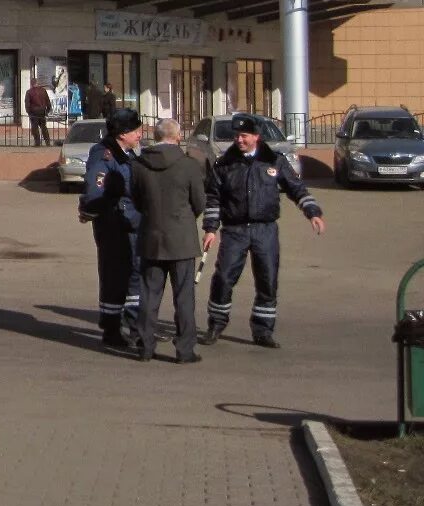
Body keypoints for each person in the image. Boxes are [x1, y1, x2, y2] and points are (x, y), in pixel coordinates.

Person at [201, 112, 326, 348]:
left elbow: (296, 188)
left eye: (244, 136)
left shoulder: (274, 161)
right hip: (234, 230)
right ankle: (215, 324)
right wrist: (210, 229)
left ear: (256, 137)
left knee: (267, 280)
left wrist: (313, 213)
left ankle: (263, 331)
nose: (239, 140)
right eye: (237, 136)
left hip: (265, 230)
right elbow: (213, 199)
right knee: (224, 277)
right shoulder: (224, 164)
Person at [128, 118, 207, 363]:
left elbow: (137, 200)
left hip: (151, 236)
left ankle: (145, 347)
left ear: (155, 134)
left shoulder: (139, 165)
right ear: (178, 136)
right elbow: (199, 202)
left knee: (149, 295)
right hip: (182, 238)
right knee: (184, 296)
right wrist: (183, 219)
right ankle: (184, 350)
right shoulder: (189, 165)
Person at [79, 106, 143, 348]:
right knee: (114, 278)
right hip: (114, 227)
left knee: (136, 276)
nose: (140, 134)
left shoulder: (130, 154)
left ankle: (136, 327)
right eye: (136, 130)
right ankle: (111, 330)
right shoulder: (103, 155)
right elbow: (95, 191)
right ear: (123, 133)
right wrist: (90, 211)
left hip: (134, 225)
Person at [24, 79, 52, 146]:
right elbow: (48, 102)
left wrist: (28, 112)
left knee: (35, 128)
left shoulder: (29, 92)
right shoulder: (43, 91)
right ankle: (47, 142)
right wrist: (47, 111)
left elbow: (27, 103)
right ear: (37, 83)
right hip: (42, 111)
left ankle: (37, 143)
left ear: (31, 84)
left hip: (33, 112)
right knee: (44, 127)